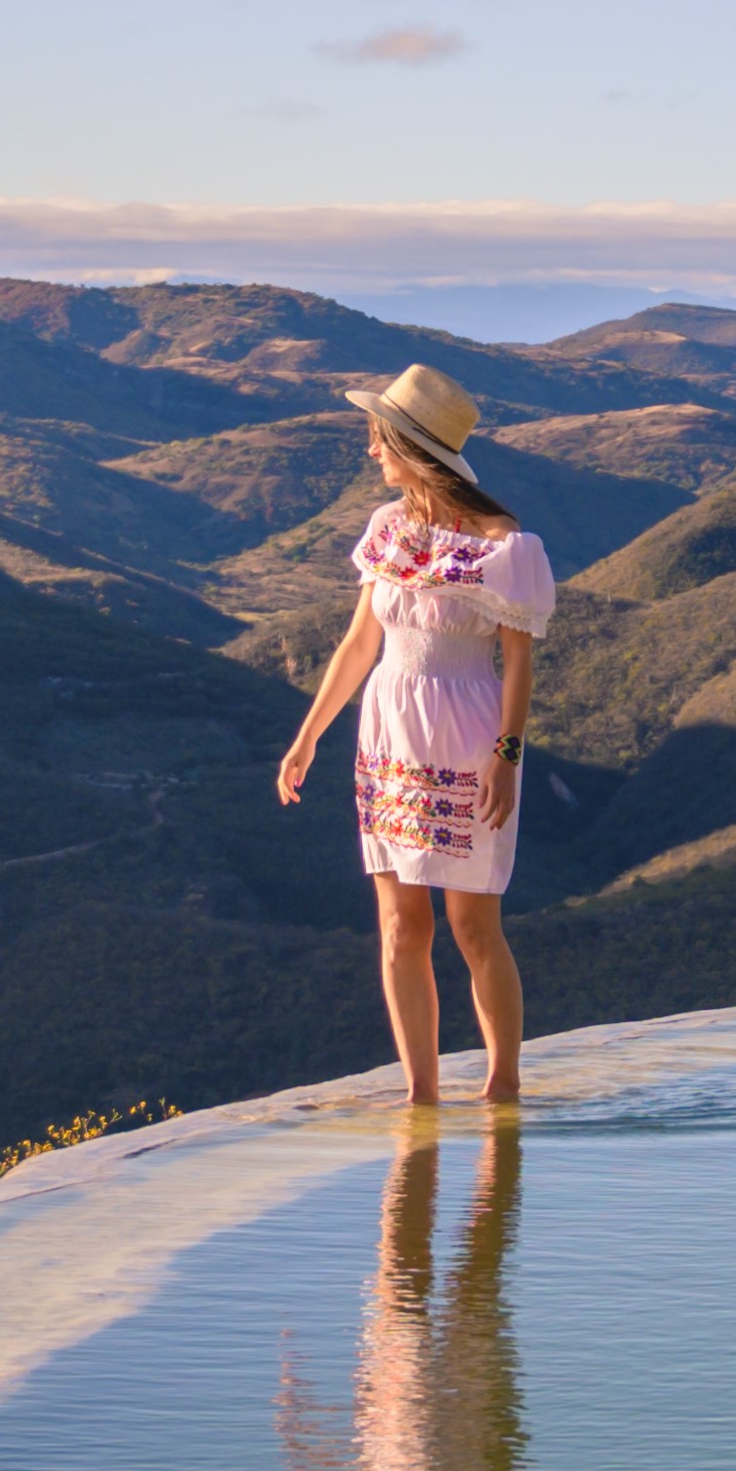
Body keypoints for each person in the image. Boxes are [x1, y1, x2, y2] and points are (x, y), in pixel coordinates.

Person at [271, 361, 553, 1105]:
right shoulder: (386, 529)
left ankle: (502, 1092)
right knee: (401, 923)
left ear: (414, 448)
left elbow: (519, 664)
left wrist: (507, 755)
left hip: (468, 732)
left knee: (472, 922)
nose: (372, 452)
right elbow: (360, 644)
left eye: (380, 439)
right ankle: (420, 1097)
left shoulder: (503, 545)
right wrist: (308, 737)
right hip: (388, 733)